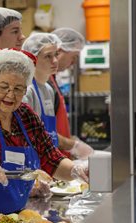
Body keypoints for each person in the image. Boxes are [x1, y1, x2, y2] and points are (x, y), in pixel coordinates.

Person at [0, 49, 88, 222]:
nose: (11, 95)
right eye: (4, 87)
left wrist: (76, 170)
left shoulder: (25, 115)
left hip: (13, 221)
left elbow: (52, 160)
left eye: (19, 89)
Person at [50, 27, 93, 159]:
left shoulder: (52, 80)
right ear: (59, 51)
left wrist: (71, 139)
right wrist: (72, 145)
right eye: (73, 57)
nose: (73, 63)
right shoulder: (44, 85)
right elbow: (41, 130)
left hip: (60, 158)